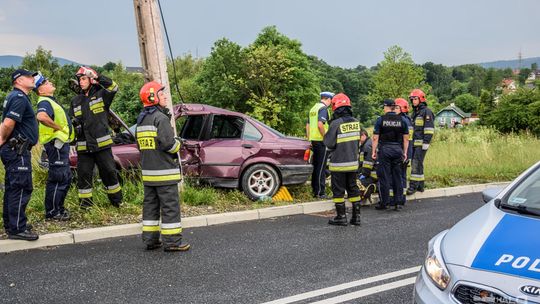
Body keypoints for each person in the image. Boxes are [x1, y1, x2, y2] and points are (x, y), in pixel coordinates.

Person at [137, 81, 190, 252]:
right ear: (153, 98)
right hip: (165, 174)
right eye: (162, 94)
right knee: (170, 208)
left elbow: (140, 146)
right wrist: (179, 144)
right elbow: (168, 145)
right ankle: (173, 242)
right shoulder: (161, 118)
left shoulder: (142, 119)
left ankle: (151, 240)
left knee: (150, 208)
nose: (165, 96)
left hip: (149, 174)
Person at [69, 66, 122, 209]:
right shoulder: (75, 101)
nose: (80, 82)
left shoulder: (101, 95)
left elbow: (114, 86)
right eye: (79, 79)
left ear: (91, 80)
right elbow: (71, 122)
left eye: (84, 78)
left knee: (109, 173)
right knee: (84, 176)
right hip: (83, 147)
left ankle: (117, 202)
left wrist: (98, 77)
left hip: (102, 146)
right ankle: (86, 207)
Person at [0, 69, 39, 240]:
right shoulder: (19, 98)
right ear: (19, 80)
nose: (33, 79)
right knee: (21, 187)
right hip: (18, 150)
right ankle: (17, 229)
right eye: (30, 77)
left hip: (15, 149)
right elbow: (8, 123)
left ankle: (12, 224)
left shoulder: (15, 96)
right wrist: (1, 139)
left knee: (12, 188)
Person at [34, 73, 74, 221]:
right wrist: (57, 128)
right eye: (45, 82)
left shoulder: (50, 100)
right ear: (40, 90)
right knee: (58, 177)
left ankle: (58, 209)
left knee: (65, 177)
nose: (49, 81)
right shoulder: (44, 101)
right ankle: (52, 212)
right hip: (55, 144)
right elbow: (41, 117)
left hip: (59, 145)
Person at [323, 93, 362, 226]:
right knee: (353, 189)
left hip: (338, 164)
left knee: (338, 191)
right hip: (353, 163)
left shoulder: (336, 123)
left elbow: (329, 143)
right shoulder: (356, 122)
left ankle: (341, 217)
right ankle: (356, 218)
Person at [372, 99, 409, 211]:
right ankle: (398, 203)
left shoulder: (380, 120)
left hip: (385, 150)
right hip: (398, 150)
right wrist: (405, 152)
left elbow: (375, 138)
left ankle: (385, 203)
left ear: (386, 107)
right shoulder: (402, 120)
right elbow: (406, 138)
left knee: (384, 177)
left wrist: (373, 151)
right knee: (397, 176)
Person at [406, 89, 435, 195]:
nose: (413, 101)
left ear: (421, 99)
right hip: (414, 144)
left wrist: (426, 143)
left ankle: (412, 187)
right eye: (412, 99)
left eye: (415, 99)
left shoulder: (427, 112)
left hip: (421, 144)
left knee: (416, 164)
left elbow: (429, 129)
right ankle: (420, 186)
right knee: (419, 164)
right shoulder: (415, 113)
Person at [306, 92, 333, 199]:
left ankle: (315, 190)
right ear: (328, 99)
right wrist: (325, 137)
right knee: (321, 168)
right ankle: (320, 192)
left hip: (314, 141)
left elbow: (307, 125)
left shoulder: (313, 108)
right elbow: (320, 124)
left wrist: (309, 139)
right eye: (331, 100)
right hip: (321, 142)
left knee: (316, 166)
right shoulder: (323, 109)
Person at [393, 98, 413, 206]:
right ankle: (402, 198)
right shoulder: (408, 120)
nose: (394, 109)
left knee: (398, 176)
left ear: (401, 108)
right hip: (407, 152)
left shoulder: (401, 121)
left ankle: (398, 199)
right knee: (403, 176)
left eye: (396, 107)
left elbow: (403, 139)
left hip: (401, 152)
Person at [358, 129, 378, 204]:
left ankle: (374, 188)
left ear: (363, 135)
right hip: (370, 173)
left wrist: (363, 174)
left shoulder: (367, 146)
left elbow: (368, 164)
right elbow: (361, 163)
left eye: (358, 137)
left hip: (372, 175)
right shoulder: (364, 145)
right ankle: (371, 187)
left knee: (358, 184)